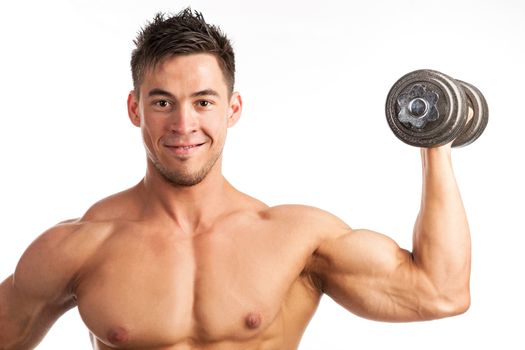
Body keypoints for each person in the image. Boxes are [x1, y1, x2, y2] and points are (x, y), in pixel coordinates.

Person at [0, 8, 471, 350]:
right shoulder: (81, 246)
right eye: (163, 102)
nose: (184, 125)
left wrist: (436, 142)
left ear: (233, 109)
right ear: (134, 108)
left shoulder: (294, 239)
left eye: (203, 101)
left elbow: (441, 292)